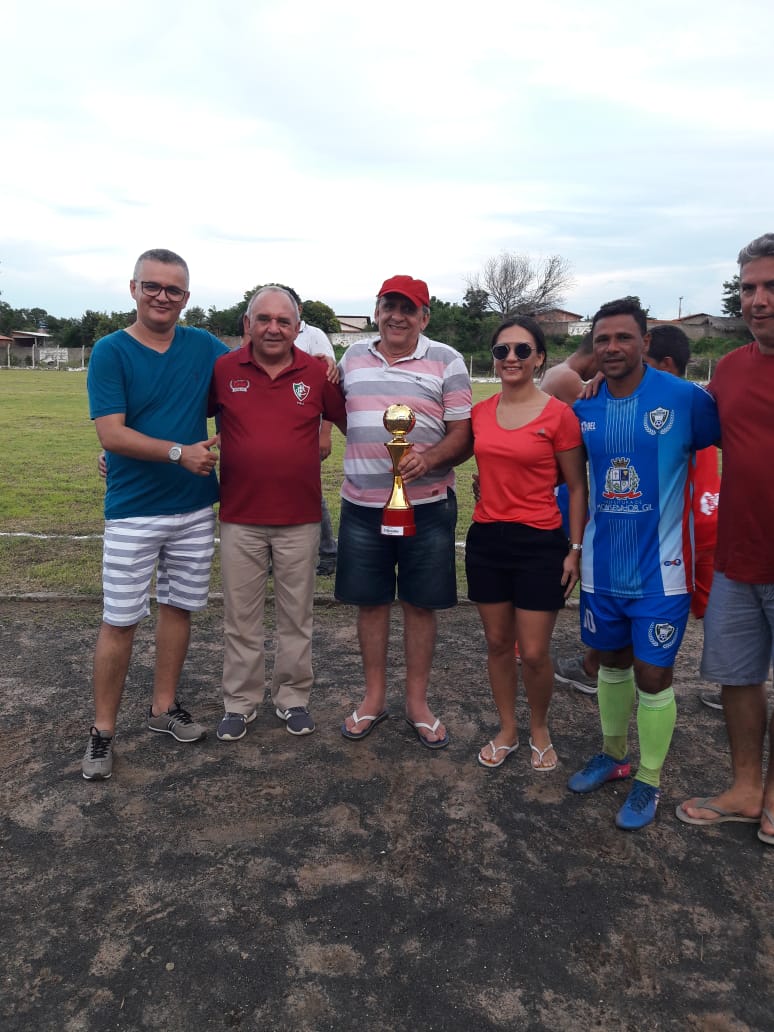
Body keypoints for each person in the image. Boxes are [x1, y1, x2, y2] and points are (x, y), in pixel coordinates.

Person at [567, 297, 720, 829]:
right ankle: (614, 756)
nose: (612, 348)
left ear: (645, 343)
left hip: (663, 571)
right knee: (609, 664)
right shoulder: (584, 407)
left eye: (623, 338)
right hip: (602, 570)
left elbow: (736, 448)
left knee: (653, 677)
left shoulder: (686, 400)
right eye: (603, 339)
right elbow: (571, 481)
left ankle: (649, 781)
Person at [82, 248, 228, 780]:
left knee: (178, 610)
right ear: (133, 288)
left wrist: (320, 354)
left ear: (186, 298)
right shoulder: (110, 350)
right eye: (153, 287)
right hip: (133, 510)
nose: (162, 297)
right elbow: (111, 432)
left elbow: (252, 366)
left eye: (174, 290)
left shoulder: (202, 346)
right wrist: (177, 452)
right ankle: (102, 732)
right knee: (120, 620)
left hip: (192, 510)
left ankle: (163, 709)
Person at [336, 275, 472, 747]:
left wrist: (430, 459)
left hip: (428, 506)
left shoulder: (447, 360)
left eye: (408, 309)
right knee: (371, 604)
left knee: (419, 605)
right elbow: (332, 408)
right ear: (376, 310)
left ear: (424, 317)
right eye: (389, 306)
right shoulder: (351, 357)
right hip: (361, 507)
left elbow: (463, 435)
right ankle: (373, 698)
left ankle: (417, 702)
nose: (397, 316)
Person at [210, 287, 346, 741]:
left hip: (301, 518)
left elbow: (355, 420)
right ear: (248, 324)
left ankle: (292, 698)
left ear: (297, 326)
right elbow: (183, 418)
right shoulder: (224, 369)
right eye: (263, 319)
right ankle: (240, 702)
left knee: (296, 617)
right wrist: (120, 455)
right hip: (240, 517)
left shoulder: (316, 371)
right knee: (240, 617)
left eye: (283, 321)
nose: (273, 328)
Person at [676, 233, 774, 847]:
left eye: (771, 287)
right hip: (740, 555)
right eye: (749, 288)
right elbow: (680, 430)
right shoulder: (731, 370)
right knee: (737, 678)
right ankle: (745, 788)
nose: (758, 300)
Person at [465, 317, 587, 771]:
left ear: (539, 358)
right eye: (502, 351)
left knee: (534, 652)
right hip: (487, 540)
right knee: (498, 643)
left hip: (540, 543)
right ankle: (507, 729)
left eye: (521, 350)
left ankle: (539, 727)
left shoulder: (559, 414)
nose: (511, 358)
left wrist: (574, 549)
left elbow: (577, 488)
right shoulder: (480, 413)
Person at [645, 324, 722, 710]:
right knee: (714, 609)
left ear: (667, 364)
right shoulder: (703, 398)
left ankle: (597, 667)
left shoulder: (673, 401)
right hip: (713, 512)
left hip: (682, 525)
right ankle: (731, 685)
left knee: (650, 602)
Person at [541, 334, 601, 696]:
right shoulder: (568, 379)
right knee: (565, 559)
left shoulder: (561, 373)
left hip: (560, 481)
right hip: (561, 483)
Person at [267, 285, 339, 576]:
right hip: (270, 435)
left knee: (311, 493)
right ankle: (273, 555)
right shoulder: (267, 335)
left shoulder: (315, 336)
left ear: (298, 311)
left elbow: (329, 382)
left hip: (304, 436)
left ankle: (328, 552)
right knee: (271, 492)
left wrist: (324, 433)